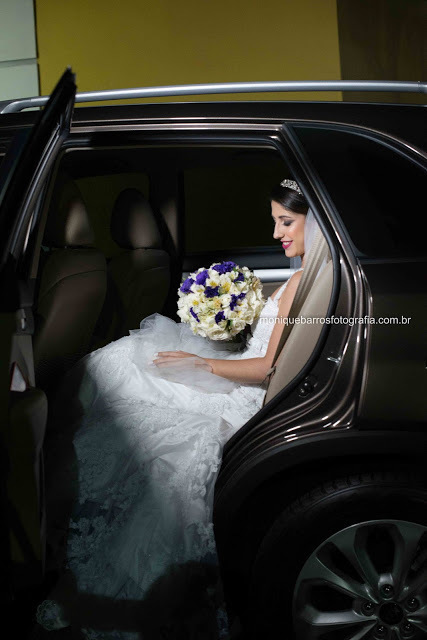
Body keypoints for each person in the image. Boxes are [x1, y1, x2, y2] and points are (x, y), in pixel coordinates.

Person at [36, 179, 317, 639]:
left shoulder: (303, 281)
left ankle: (43, 480)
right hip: (238, 380)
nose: (276, 234)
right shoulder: (301, 278)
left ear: (314, 222)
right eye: (274, 222)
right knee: (125, 359)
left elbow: (267, 367)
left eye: (286, 222)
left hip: (244, 398)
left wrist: (202, 363)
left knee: (124, 373)